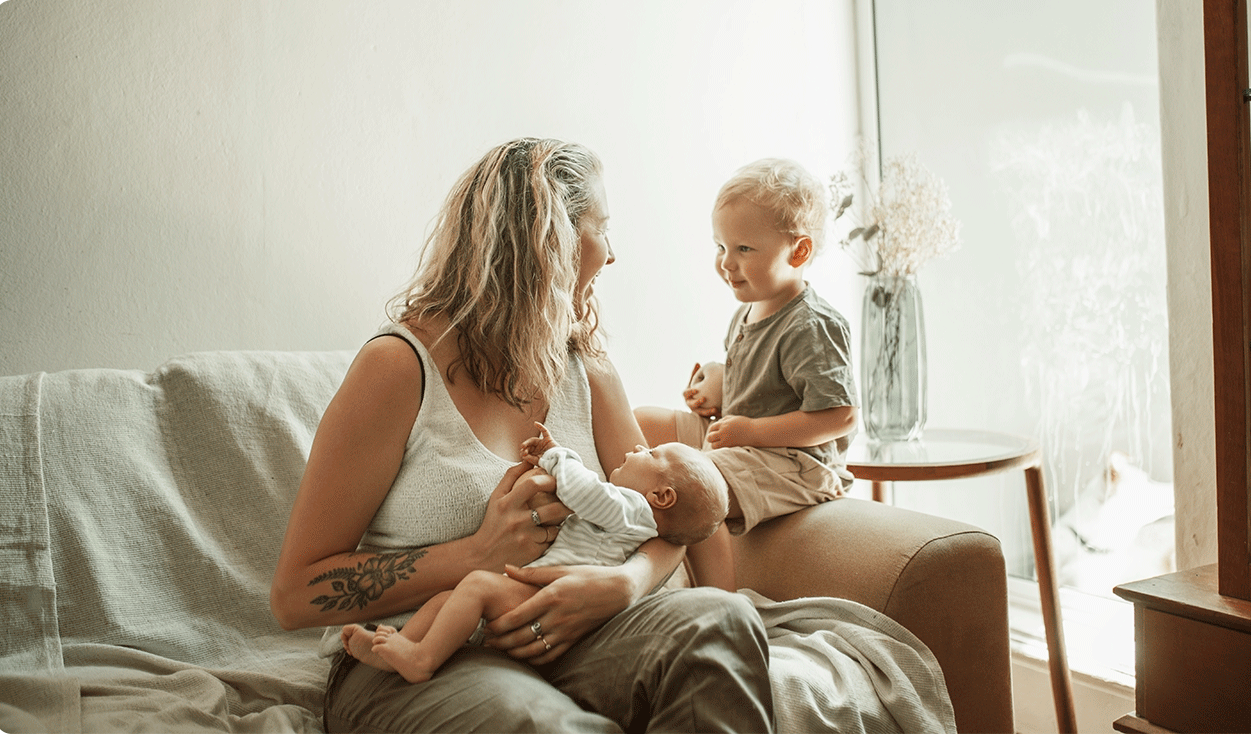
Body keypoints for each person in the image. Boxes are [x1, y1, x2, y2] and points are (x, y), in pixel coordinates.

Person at [269, 138, 773, 733]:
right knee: (541, 725)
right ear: (549, 242)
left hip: (580, 638)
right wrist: (477, 555)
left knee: (725, 621)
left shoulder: (587, 362)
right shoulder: (399, 368)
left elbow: (669, 516)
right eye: (601, 229)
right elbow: (296, 594)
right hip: (424, 653)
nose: (611, 256)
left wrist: (623, 583)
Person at [339, 422, 729, 684]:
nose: (641, 446)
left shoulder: (633, 509)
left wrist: (557, 454)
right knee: (448, 599)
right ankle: (406, 647)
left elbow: (583, 492)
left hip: (545, 601)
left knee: (474, 586)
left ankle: (422, 660)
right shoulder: (638, 516)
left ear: (661, 497)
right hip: (543, 598)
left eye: (654, 453)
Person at [635, 158, 859, 592]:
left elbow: (839, 416)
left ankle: (719, 597)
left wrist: (752, 430)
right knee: (642, 421)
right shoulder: (747, 312)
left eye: (744, 250)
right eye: (721, 247)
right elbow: (762, 382)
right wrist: (717, 385)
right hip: (741, 438)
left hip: (798, 462)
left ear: (799, 252)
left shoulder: (810, 325)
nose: (726, 263)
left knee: (697, 479)